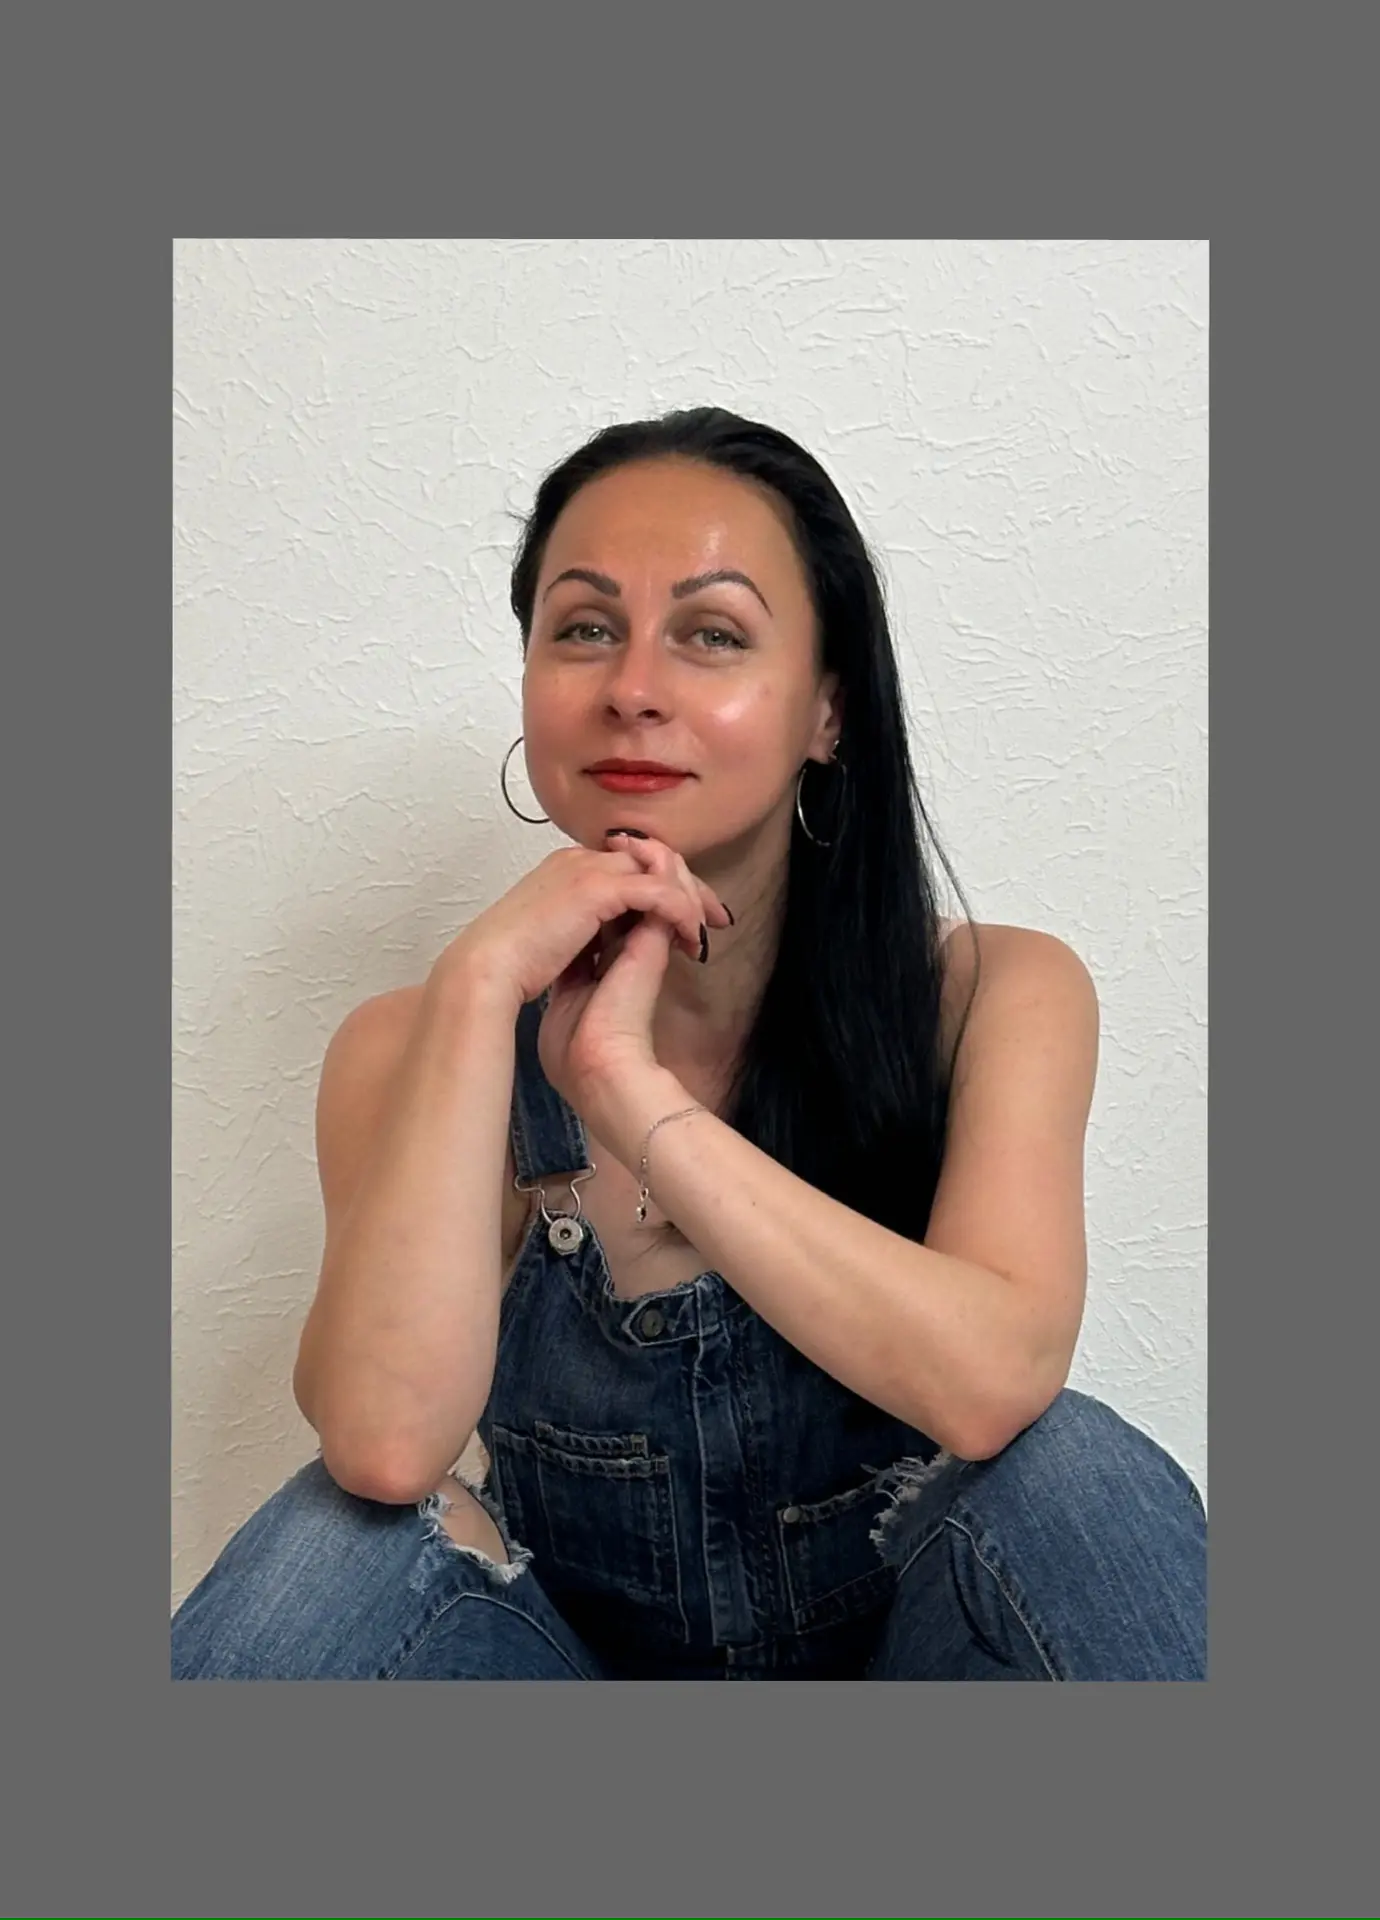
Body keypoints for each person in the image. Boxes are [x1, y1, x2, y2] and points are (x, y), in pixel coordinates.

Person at [172, 406, 1206, 1681]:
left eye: (711, 634)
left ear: (828, 710)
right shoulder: (417, 1045)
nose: (632, 688)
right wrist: (481, 983)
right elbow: (384, 1447)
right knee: (335, 1544)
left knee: (1077, 1477)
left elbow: (992, 1380)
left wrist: (627, 1090)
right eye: (584, 629)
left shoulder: (990, 996)